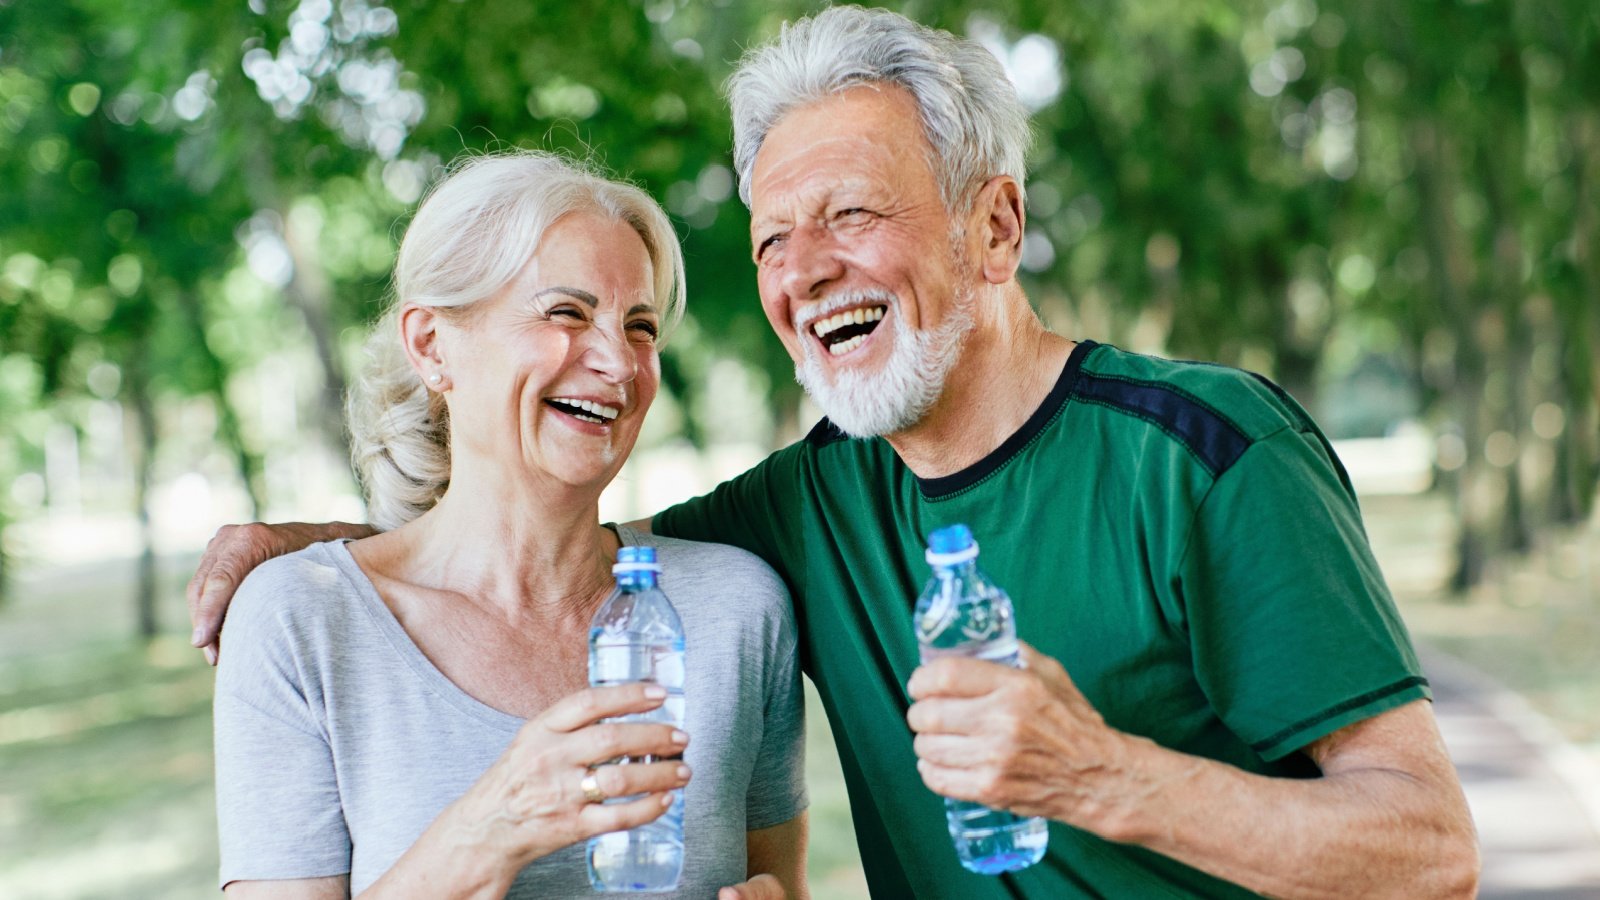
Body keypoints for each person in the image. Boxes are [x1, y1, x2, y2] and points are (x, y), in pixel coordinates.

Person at [192, 7, 1479, 898]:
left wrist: (1102, 777)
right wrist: (302, 553)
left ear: (994, 223)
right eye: (769, 239)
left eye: (851, 214)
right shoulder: (806, 507)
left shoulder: (1203, 454)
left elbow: (1427, 851)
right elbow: (543, 541)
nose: (806, 271)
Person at [210, 152, 808, 899]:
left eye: (642, 325)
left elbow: (780, 882)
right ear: (431, 345)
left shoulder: (739, 610)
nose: (620, 363)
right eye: (567, 312)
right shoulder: (300, 624)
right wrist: (492, 826)